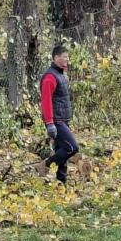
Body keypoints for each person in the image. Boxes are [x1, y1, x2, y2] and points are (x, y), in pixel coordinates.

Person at [37, 45, 79, 183]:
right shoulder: (50, 77)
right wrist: (50, 123)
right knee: (72, 147)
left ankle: (62, 182)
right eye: (64, 57)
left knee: (62, 149)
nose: (67, 59)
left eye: (68, 57)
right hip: (56, 120)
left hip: (63, 119)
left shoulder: (62, 75)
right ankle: (46, 164)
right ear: (56, 58)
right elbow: (46, 101)